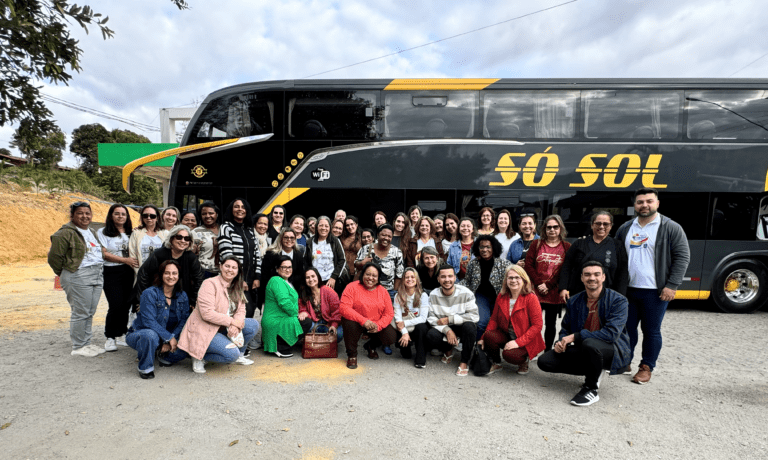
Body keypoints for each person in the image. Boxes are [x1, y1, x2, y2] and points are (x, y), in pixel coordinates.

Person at [615, 188, 690, 384]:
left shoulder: (670, 227)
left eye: (649, 201)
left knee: (651, 330)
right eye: (640, 202)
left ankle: (646, 366)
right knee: (626, 328)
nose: (644, 205)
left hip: (655, 291)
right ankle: (625, 360)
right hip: (628, 290)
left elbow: (682, 257)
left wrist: (672, 285)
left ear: (657, 203)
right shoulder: (626, 228)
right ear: (635, 205)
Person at [537, 261, 631, 406]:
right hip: (585, 348)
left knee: (590, 343)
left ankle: (591, 388)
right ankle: (594, 369)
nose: (591, 278)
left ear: (603, 277)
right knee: (545, 362)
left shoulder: (618, 301)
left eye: (596, 274)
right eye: (587, 274)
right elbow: (565, 329)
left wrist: (576, 336)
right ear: (581, 278)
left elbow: (611, 334)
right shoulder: (574, 301)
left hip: (612, 349)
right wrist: (561, 342)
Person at [178, 255, 259, 373]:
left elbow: (241, 310)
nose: (230, 270)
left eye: (234, 267)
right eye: (227, 266)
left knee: (253, 324)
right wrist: (232, 322)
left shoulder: (237, 286)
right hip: (206, 329)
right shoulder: (209, 283)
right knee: (231, 355)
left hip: (224, 328)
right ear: (220, 267)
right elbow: (207, 313)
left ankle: (240, 354)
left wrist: (236, 325)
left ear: (238, 271)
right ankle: (199, 356)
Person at [48, 201, 105, 357]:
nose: (85, 216)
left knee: (89, 310)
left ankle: (87, 342)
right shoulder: (65, 233)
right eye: (80, 213)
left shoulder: (90, 231)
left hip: (96, 273)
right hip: (79, 274)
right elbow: (54, 258)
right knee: (80, 311)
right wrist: (67, 273)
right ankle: (79, 346)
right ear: (72, 215)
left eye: (87, 213)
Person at [125, 260, 190, 379]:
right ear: (161, 275)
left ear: (179, 276)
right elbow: (148, 322)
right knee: (150, 336)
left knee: (185, 349)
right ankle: (146, 367)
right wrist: (168, 338)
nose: (171, 276)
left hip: (169, 336)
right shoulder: (149, 293)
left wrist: (172, 337)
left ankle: (161, 354)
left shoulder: (182, 295)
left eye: (174, 273)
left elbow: (184, 320)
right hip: (142, 333)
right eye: (167, 273)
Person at [477, 265, 544, 375]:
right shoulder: (502, 296)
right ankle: (496, 363)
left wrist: (518, 342)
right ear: (506, 280)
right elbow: (494, 319)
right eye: (510, 278)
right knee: (489, 335)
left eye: (517, 277)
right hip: (507, 334)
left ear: (523, 279)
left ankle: (524, 361)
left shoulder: (531, 298)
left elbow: (537, 325)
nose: (513, 280)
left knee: (510, 356)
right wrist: (483, 337)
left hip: (525, 339)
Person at [524, 215, 571, 352]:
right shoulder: (536, 244)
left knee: (550, 324)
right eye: (549, 227)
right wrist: (539, 283)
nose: (552, 230)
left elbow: (565, 269)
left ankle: (547, 351)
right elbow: (528, 265)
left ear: (560, 228)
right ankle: (531, 349)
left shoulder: (567, 246)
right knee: (532, 322)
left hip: (554, 292)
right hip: (535, 291)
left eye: (555, 227)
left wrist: (549, 285)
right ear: (544, 229)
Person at [560, 211, 628, 302]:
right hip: (579, 293)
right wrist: (563, 288)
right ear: (592, 225)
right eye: (598, 223)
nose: (601, 227)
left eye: (606, 224)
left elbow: (622, 273)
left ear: (611, 226)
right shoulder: (579, 244)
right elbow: (566, 266)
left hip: (608, 296)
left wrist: (620, 296)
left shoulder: (618, 246)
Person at [339, 262, 397, 369]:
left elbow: (389, 314)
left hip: (374, 324)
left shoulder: (383, 291)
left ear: (379, 277)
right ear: (362, 274)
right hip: (357, 323)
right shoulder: (352, 287)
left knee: (391, 336)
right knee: (348, 322)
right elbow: (344, 308)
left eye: (374, 276)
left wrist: (378, 325)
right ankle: (352, 355)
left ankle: (371, 346)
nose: (370, 278)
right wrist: (364, 321)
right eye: (367, 274)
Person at [425, 264, 479, 376]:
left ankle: (464, 361)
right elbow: (431, 318)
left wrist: (450, 319)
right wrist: (447, 330)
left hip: (461, 326)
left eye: (450, 276)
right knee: (431, 335)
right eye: (443, 277)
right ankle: (448, 350)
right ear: (438, 279)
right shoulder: (433, 295)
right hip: (444, 327)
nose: (447, 280)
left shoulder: (466, 293)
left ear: (455, 278)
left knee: (470, 327)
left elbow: (474, 316)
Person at [97, 204, 137, 351]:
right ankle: (110, 337)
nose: (120, 216)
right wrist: (124, 260)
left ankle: (121, 333)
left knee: (126, 304)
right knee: (115, 304)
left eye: (123, 214)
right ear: (111, 215)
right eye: (117, 213)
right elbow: (104, 253)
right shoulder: (103, 232)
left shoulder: (130, 233)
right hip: (111, 271)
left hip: (128, 271)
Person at [135, 225, 204, 308]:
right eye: (179, 237)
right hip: (157, 298)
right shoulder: (159, 254)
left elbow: (198, 279)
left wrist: (193, 302)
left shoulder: (191, 257)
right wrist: (143, 300)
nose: (183, 241)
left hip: (182, 299)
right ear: (171, 239)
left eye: (187, 238)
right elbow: (143, 274)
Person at [461, 235, 511, 339]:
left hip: (500, 296)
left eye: (488, 247)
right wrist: (453, 286)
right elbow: (467, 281)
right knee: (482, 322)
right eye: (481, 247)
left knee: (500, 324)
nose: (484, 250)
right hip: (481, 296)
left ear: (494, 248)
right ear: (477, 248)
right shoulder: (472, 263)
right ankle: (477, 349)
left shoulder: (504, 264)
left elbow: (513, 279)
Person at [218, 198, 261, 317]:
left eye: (243, 207)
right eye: (236, 206)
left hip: (251, 280)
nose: (240, 209)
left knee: (250, 312)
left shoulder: (250, 230)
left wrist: (257, 277)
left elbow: (257, 255)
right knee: (242, 312)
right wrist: (239, 279)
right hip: (235, 280)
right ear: (231, 210)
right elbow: (227, 256)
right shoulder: (226, 227)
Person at [262, 255, 303, 358]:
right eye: (284, 267)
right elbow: (284, 303)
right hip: (275, 319)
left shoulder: (287, 282)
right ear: (277, 269)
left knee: (305, 320)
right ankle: (279, 346)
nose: (287, 269)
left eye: (289, 267)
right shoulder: (276, 280)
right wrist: (296, 314)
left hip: (283, 316)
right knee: (304, 322)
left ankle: (283, 342)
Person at [354, 224, 404, 299]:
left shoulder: (397, 252)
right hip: (367, 290)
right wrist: (361, 263)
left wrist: (394, 291)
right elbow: (355, 264)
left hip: (388, 291)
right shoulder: (366, 249)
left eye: (389, 236)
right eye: (383, 235)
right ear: (377, 235)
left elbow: (399, 275)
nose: (386, 238)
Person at [393, 268, 430, 365]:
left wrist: (404, 323)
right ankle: (405, 345)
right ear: (403, 280)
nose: (410, 279)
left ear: (417, 279)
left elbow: (423, 318)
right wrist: (404, 332)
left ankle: (420, 358)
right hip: (403, 327)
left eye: (412, 277)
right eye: (407, 277)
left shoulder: (423, 295)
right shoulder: (398, 296)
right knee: (406, 355)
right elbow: (398, 317)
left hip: (415, 326)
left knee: (422, 327)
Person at [260, 228, 306, 305]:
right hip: (274, 291)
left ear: (295, 239)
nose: (289, 239)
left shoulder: (298, 255)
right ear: (281, 238)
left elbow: (300, 274)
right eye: (286, 237)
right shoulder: (271, 254)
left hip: (292, 291)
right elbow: (265, 275)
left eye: (292, 237)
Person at [305, 216, 348, 295]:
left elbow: (342, 260)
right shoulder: (310, 241)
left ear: (330, 228)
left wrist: (333, 277)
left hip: (331, 281)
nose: (323, 228)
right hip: (315, 281)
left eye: (326, 226)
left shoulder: (335, 241)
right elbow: (306, 261)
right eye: (321, 225)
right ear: (317, 226)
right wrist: (310, 278)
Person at [298, 267, 343, 342]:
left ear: (318, 277)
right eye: (307, 277)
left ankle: (315, 338)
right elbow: (302, 310)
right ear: (305, 280)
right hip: (313, 323)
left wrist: (334, 325)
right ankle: (318, 339)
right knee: (302, 325)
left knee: (338, 334)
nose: (311, 279)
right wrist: (304, 313)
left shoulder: (328, 291)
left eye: (313, 276)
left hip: (328, 322)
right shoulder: (303, 293)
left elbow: (337, 311)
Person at [128, 204, 169, 276]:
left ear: (157, 218)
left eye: (152, 216)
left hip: (161, 275)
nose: (149, 218)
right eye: (145, 216)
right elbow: (132, 255)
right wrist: (140, 274)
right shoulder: (136, 233)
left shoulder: (165, 234)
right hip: (142, 274)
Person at [192, 201, 221, 279]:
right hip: (203, 273)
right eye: (204, 214)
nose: (207, 216)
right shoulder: (195, 232)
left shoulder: (224, 230)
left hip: (223, 273)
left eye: (211, 213)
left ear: (217, 214)